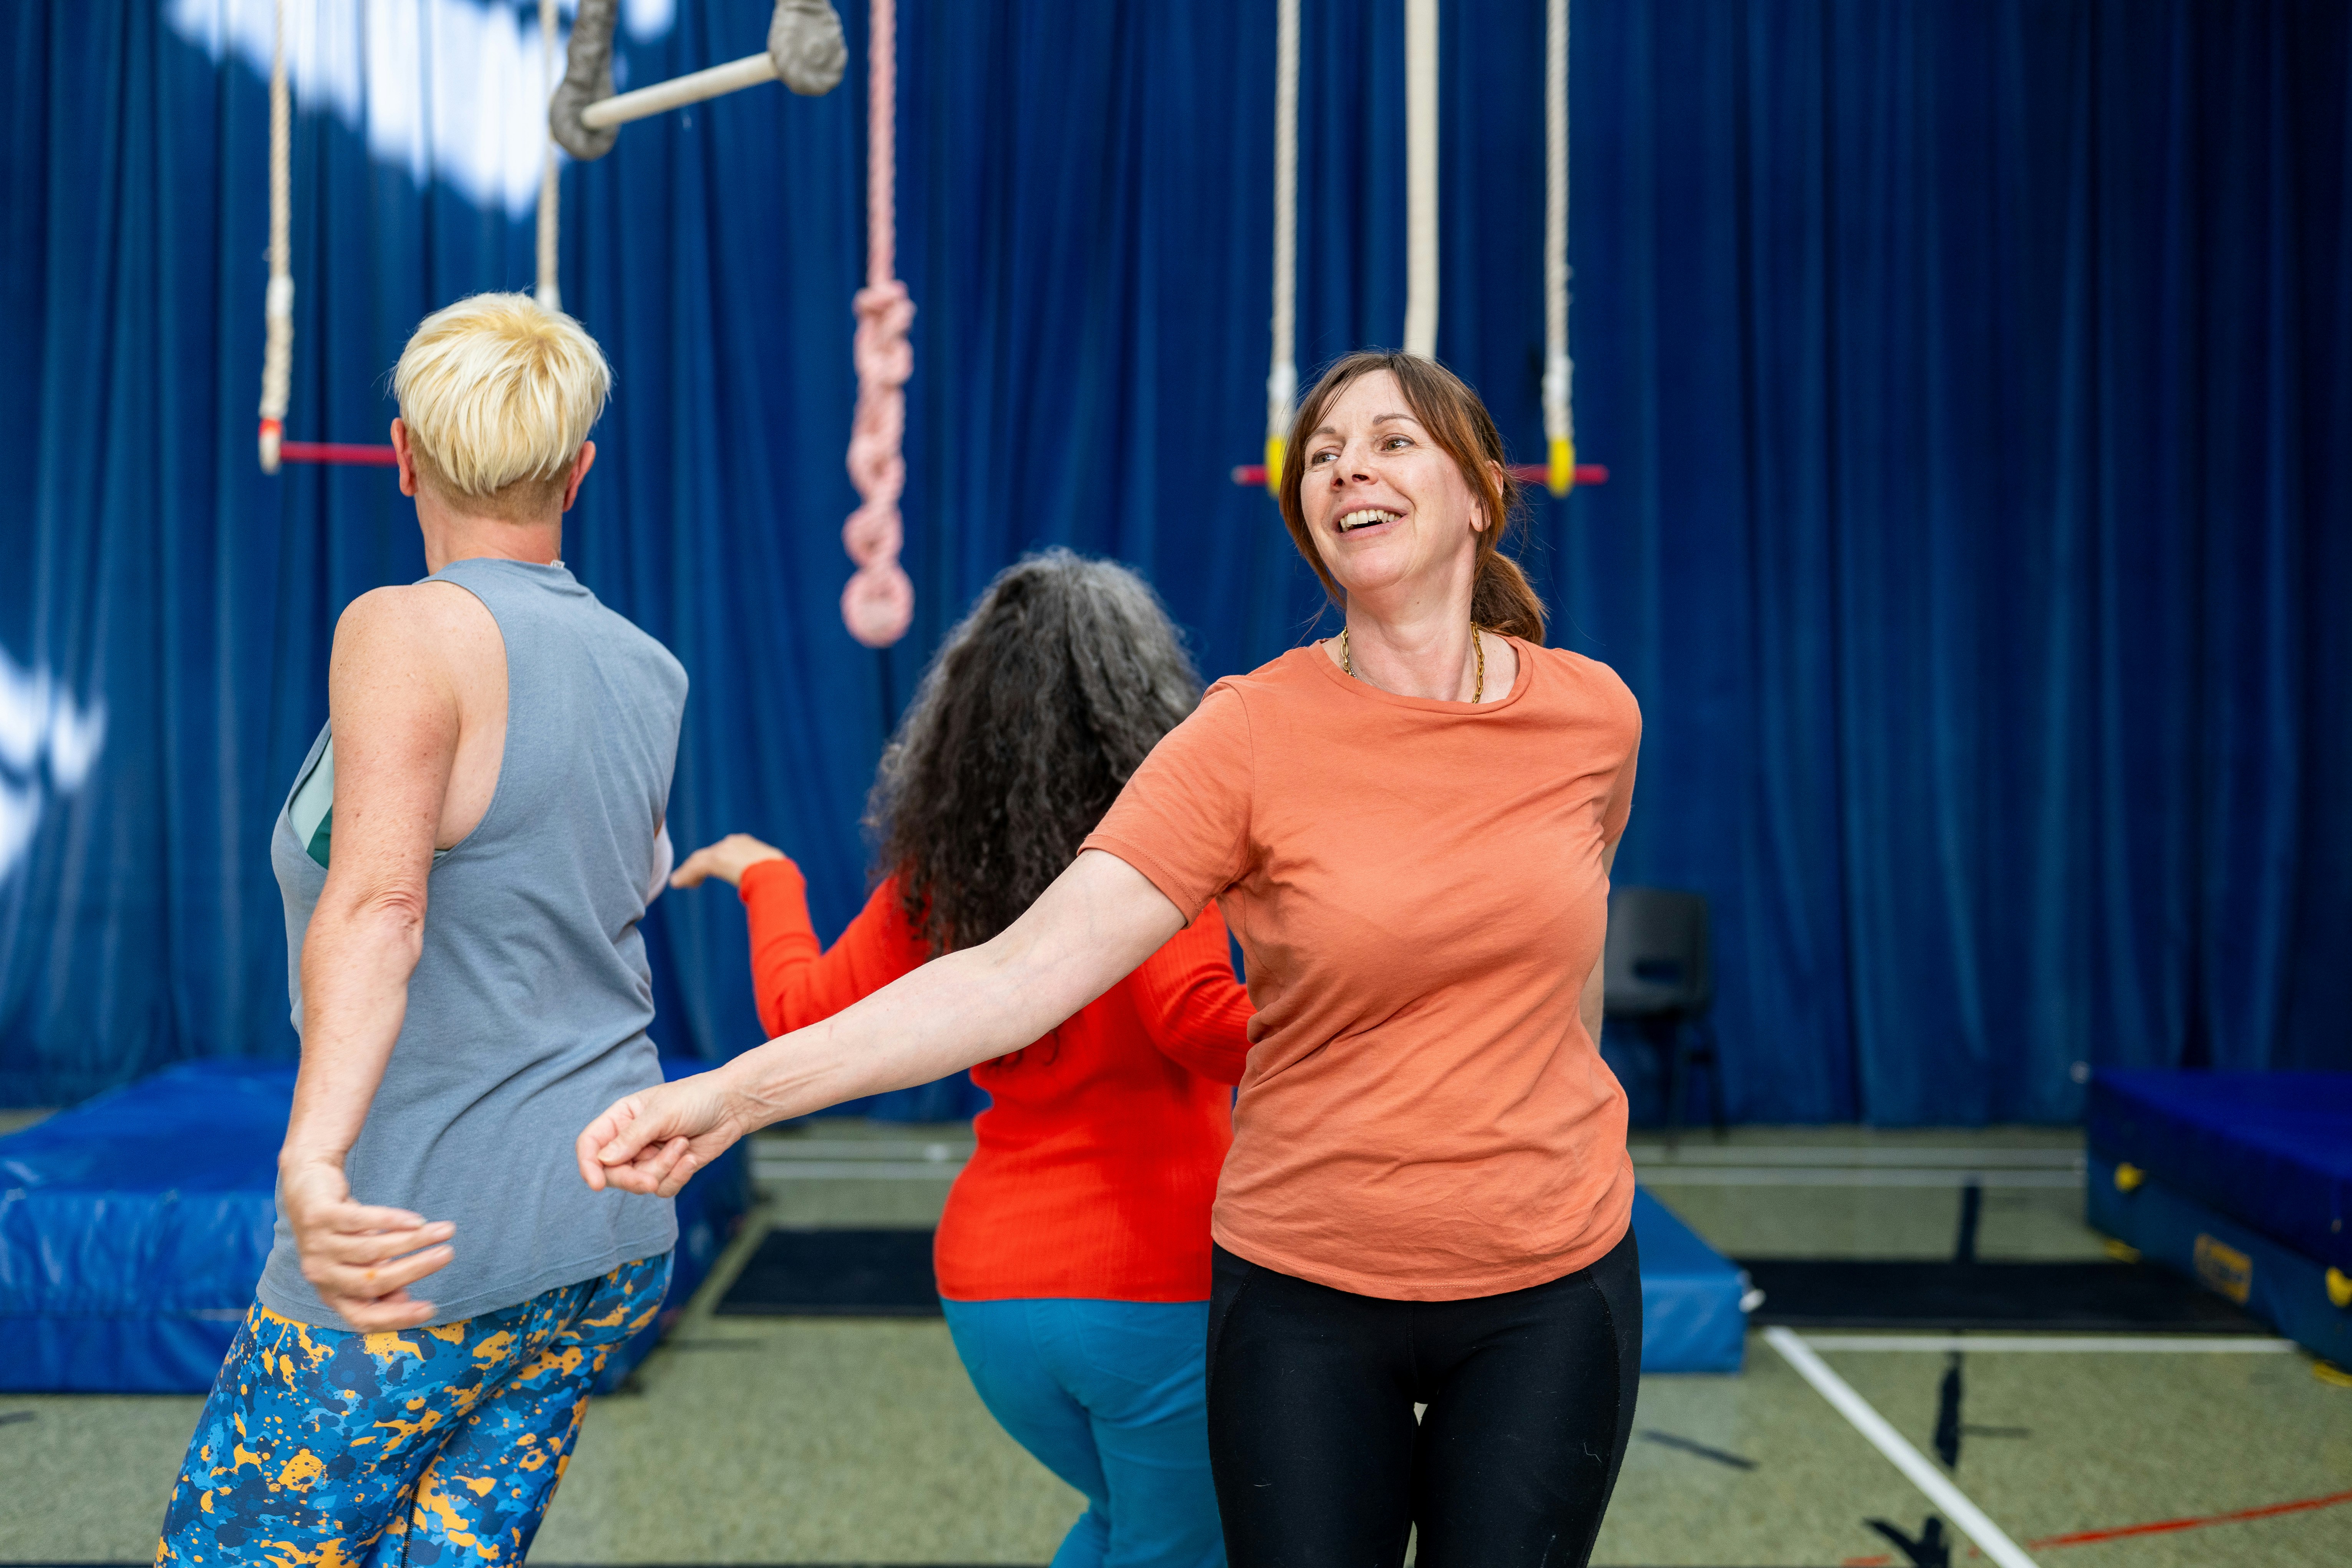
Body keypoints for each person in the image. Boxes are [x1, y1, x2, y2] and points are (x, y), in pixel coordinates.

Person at [581, 352, 1642, 1567]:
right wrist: (728, 1097)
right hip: (1306, 1285)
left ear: (1482, 494)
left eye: (1392, 440)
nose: (1349, 463)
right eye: (1326, 450)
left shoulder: (1591, 716)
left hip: (1547, 1282)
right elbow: (1013, 973)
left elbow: (1570, 961)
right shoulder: (1243, 735)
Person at [157, 294, 686, 1567]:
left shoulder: (403, 627)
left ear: (401, 455)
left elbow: (385, 901)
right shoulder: (645, 664)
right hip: (597, 1227)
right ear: (580, 469)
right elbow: (611, 879)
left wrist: (312, 1161)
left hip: (422, 1227)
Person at [671, 551, 1248, 1568]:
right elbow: (1202, 1022)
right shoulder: (1160, 851)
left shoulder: (942, 877)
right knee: (1181, 1543)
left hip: (993, 1297)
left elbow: (798, 1010)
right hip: (1150, 1290)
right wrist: (1372, 986)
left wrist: (766, 874)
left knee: (1128, 1527)